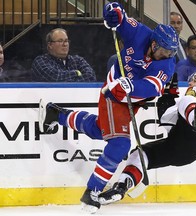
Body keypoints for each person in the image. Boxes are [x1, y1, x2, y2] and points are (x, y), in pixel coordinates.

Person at [38, 2, 179, 213]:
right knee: (120, 144)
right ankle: (92, 191)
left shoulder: (167, 64)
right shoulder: (141, 33)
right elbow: (119, 17)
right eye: (165, 51)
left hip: (132, 99)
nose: (167, 55)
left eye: (171, 52)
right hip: (113, 93)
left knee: (98, 130)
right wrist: (112, 12)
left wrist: (132, 86)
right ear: (154, 44)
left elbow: (152, 87)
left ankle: (57, 115)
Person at [96, 70, 196, 206]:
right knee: (140, 154)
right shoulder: (183, 101)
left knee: (188, 99)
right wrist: (167, 84)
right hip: (179, 147)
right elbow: (166, 109)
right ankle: (121, 187)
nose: (191, 82)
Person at [31, 28, 97, 82]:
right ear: (50, 45)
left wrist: (68, 79)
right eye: (60, 41)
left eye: (66, 41)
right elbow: (55, 78)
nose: (65, 44)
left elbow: (91, 77)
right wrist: (77, 73)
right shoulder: (41, 61)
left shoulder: (78, 60)